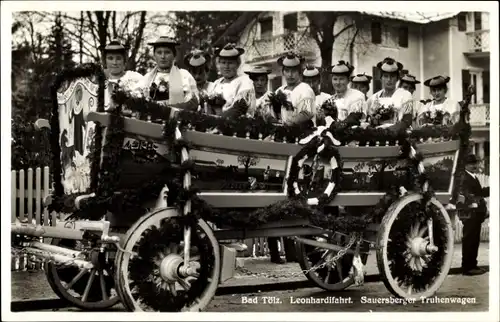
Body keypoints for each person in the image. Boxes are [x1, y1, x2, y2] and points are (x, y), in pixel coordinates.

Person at [137, 36, 199, 111]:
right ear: (154, 56)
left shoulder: (184, 75)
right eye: (159, 52)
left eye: (167, 52)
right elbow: (136, 100)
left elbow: (193, 103)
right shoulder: (147, 78)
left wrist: (165, 105)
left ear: (174, 56)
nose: (163, 56)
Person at [459, 154, 489, 276]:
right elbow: (467, 196)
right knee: (469, 240)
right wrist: (481, 201)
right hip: (470, 214)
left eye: (475, 163)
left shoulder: (472, 177)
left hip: (475, 214)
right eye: (472, 163)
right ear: (466, 165)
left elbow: (479, 192)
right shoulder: (464, 178)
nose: (475, 165)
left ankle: (472, 265)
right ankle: (468, 267)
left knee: (474, 240)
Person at [209, 43, 256, 118]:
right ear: (219, 64)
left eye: (230, 63)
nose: (226, 67)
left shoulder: (244, 81)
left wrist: (219, 122)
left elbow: (239, 108)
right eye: (223, 63)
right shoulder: (216, 83)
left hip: (234, 124)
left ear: (238, 64)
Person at [366, 57, 414, 127]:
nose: (389, 80)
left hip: (398, 134)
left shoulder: (405, 95)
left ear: (397, 78)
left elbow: (407, 120)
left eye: (392, 76)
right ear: (381, 78)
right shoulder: (373, 98)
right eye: (385, 76)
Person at [273, 52, 316, 126]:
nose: (290, 74)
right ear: (283, 72)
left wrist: (290, 123)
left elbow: (307, 113)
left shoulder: (305, 89)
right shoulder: (279, 91)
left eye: (294, 71)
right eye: (287, 71)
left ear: (299, 72)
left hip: (304, 132)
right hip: (282, 132)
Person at [102, 40, 144, 109]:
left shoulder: (135, 77)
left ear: (124, 60)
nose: (114, 62)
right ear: (105, 61)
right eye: (110, 58)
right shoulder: (99, 81)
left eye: (118, 58)